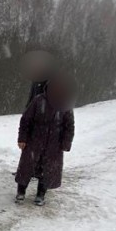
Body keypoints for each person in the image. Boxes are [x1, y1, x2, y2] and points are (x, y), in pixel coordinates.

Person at [15, 75, 75, 206]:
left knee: (47, 170)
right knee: (26, 168)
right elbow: (25, 120)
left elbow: (69, 126)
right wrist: (22, 138)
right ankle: (21, 192)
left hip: (54, 145)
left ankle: (40, 195)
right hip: (34, 141)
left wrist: (66, 143)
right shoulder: (38, 100)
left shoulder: (65, 104)